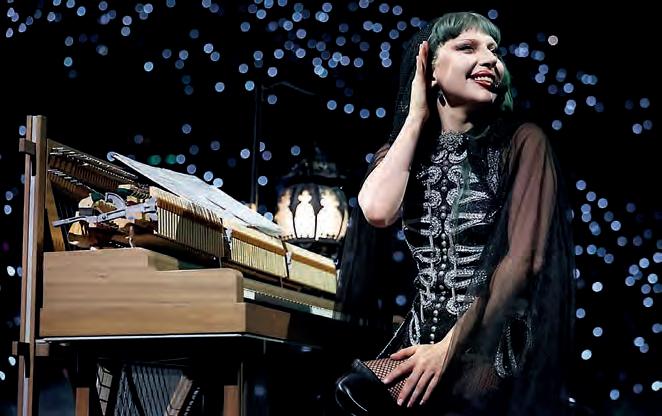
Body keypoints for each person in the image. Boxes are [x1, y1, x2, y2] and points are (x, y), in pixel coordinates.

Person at [334, 11, 575, 415]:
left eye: (494, 51)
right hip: (420, 339)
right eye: (467, 47)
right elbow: (376, 211)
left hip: (494, 345)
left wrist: (447, 349)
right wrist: (415, 116)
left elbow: (524, 261)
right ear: (429, 68)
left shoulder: (523, 142)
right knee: (350, 393)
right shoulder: (406, 151)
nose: (490, 59)